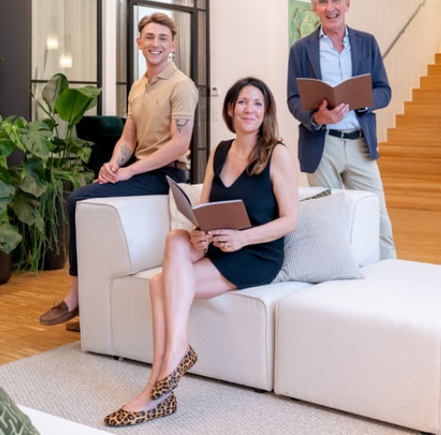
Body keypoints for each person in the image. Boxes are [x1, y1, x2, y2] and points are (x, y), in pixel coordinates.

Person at [103, 77, 298, 427]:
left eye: (257, 103)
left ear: (266, 111)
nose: (249, 110)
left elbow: (289, 221)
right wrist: (199, 235)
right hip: (220, 246)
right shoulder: (220, 151)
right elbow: (204, 209)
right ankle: (174, 356)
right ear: (230, 109)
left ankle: (156, 389)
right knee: (176, 239)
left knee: (157, 285)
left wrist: (243, 239)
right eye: (242, 102)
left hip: (255, 255)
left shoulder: (277, 153)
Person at [39, 13, 199, 330]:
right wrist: (114, 165)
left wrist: (130, 171)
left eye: (163, 38)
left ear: (173, 46)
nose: (155, 44)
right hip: (140, 172)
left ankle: (77, 296)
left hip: (166, 176)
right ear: (139, 42)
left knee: (78, 200)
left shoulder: (182, 86)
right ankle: (90, 304)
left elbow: (180, 144)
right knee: (86, 202)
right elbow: (128, 137)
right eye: (149, 37)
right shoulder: (138, 87)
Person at [287, 0, 396, 260]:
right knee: (328, 221)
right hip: (321, 146)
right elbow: (293, 99)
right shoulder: (301, 49)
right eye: (322, 1)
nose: (330, 7)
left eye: (335, 0)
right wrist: (318, 118)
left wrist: (362, 100)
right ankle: (335, 274)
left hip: (360, 144)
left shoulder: (367, 43)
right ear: (315, 9)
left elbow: (384, 91)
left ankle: (390, 273)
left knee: (377, 216)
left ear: (347, 4)